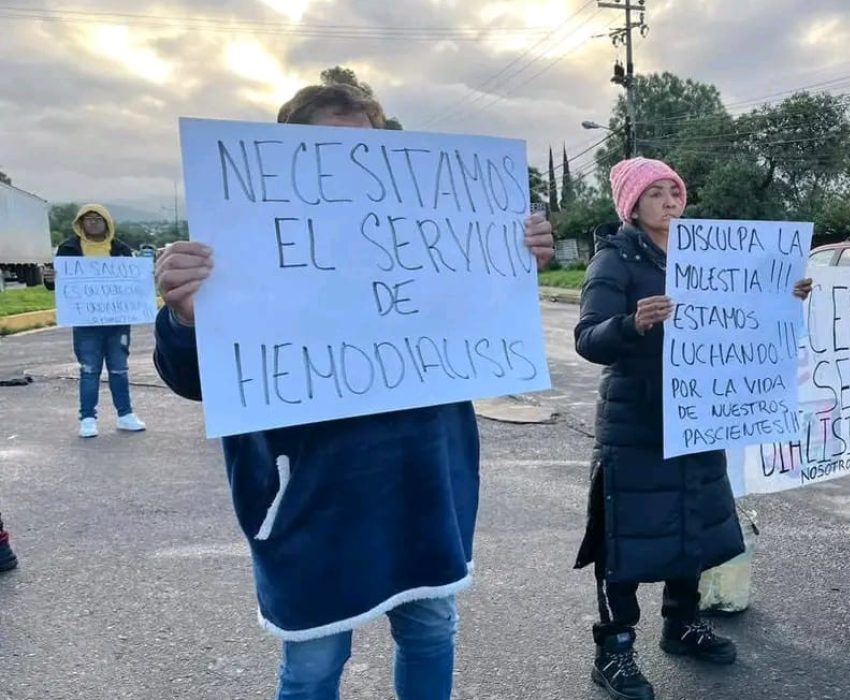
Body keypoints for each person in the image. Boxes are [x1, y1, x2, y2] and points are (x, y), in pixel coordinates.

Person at [152, 83, 555, 700]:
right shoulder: (243, 250)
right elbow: (192, 378)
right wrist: (183, 316)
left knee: (431, 629)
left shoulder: (430, 239)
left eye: (364, 151)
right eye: (328, 151)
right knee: (314, 660)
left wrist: (511, 260)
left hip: (424, 485)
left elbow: (482, 323)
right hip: (312, 498)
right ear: (289, 155)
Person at [573, 156, 811, 700]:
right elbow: (588, 338)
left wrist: (785, 296)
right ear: (632, 205)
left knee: (692, 525)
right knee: (625, 539)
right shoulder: (614, 259)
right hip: (636, 421)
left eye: (674, 190)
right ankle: (614, 651)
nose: (669, 200)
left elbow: (749, 314)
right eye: (655, 193)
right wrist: (632, 322)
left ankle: (682, 624)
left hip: (701, 413)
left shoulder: (708, 255)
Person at [56, 205, 147, 438]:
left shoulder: (121, 250)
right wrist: (50, 278)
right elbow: (59, 285)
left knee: (119, 369)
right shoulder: (68, 249)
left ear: (107, 222)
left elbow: (135, 284)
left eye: (98, 218)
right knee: (89, 370)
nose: (94, 222)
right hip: (86, 324)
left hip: (117, 323)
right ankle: (87, 418)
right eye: (88, 219)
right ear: (80, 223)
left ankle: (125, 415)